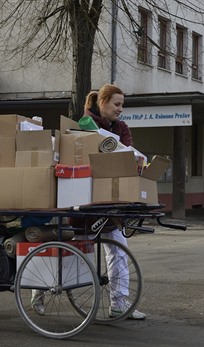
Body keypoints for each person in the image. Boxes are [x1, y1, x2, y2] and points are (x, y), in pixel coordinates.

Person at [83, 84, 144, 320]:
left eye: (122, 105)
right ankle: (42, 290)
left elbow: (127, 154)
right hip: (87, 197)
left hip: (113, 198)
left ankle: (118, 303)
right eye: (117, 104)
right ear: (103, 102)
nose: (120, 110)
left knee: (119, 251)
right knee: (72, 251)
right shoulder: (85, 124)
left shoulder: (122, 127)